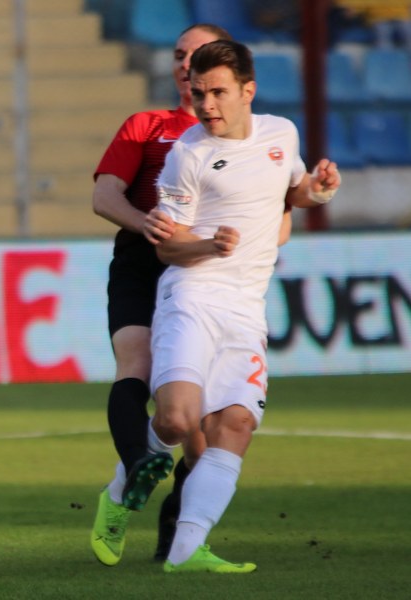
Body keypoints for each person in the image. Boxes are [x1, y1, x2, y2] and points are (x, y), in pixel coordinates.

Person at [89, 24, 293, 567]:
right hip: (152, 259)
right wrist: (149, 227)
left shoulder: (267, 136)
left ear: (235, 79)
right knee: (141, 367)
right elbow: (103, 194)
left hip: (223, 280)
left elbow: (284, 200)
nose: (186, 66)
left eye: (196, 57)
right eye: (179, 56)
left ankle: (177, 544)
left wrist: (305, 197)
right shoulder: (155, 130)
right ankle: (133, 468)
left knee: (208, 436)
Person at [144, 39, 341, 573]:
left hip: (246, 305)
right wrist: (210, 245)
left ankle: (186, 551)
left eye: (218, 93)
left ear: (247, 91)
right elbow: (167, 245)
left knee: (235, 424)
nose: (207, 104)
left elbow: (291, 191)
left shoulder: (281, 134)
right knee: (180, 418)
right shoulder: (186, 153)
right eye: (199, 92)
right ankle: (131, 475)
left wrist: (317, 191)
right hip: (193, 292)